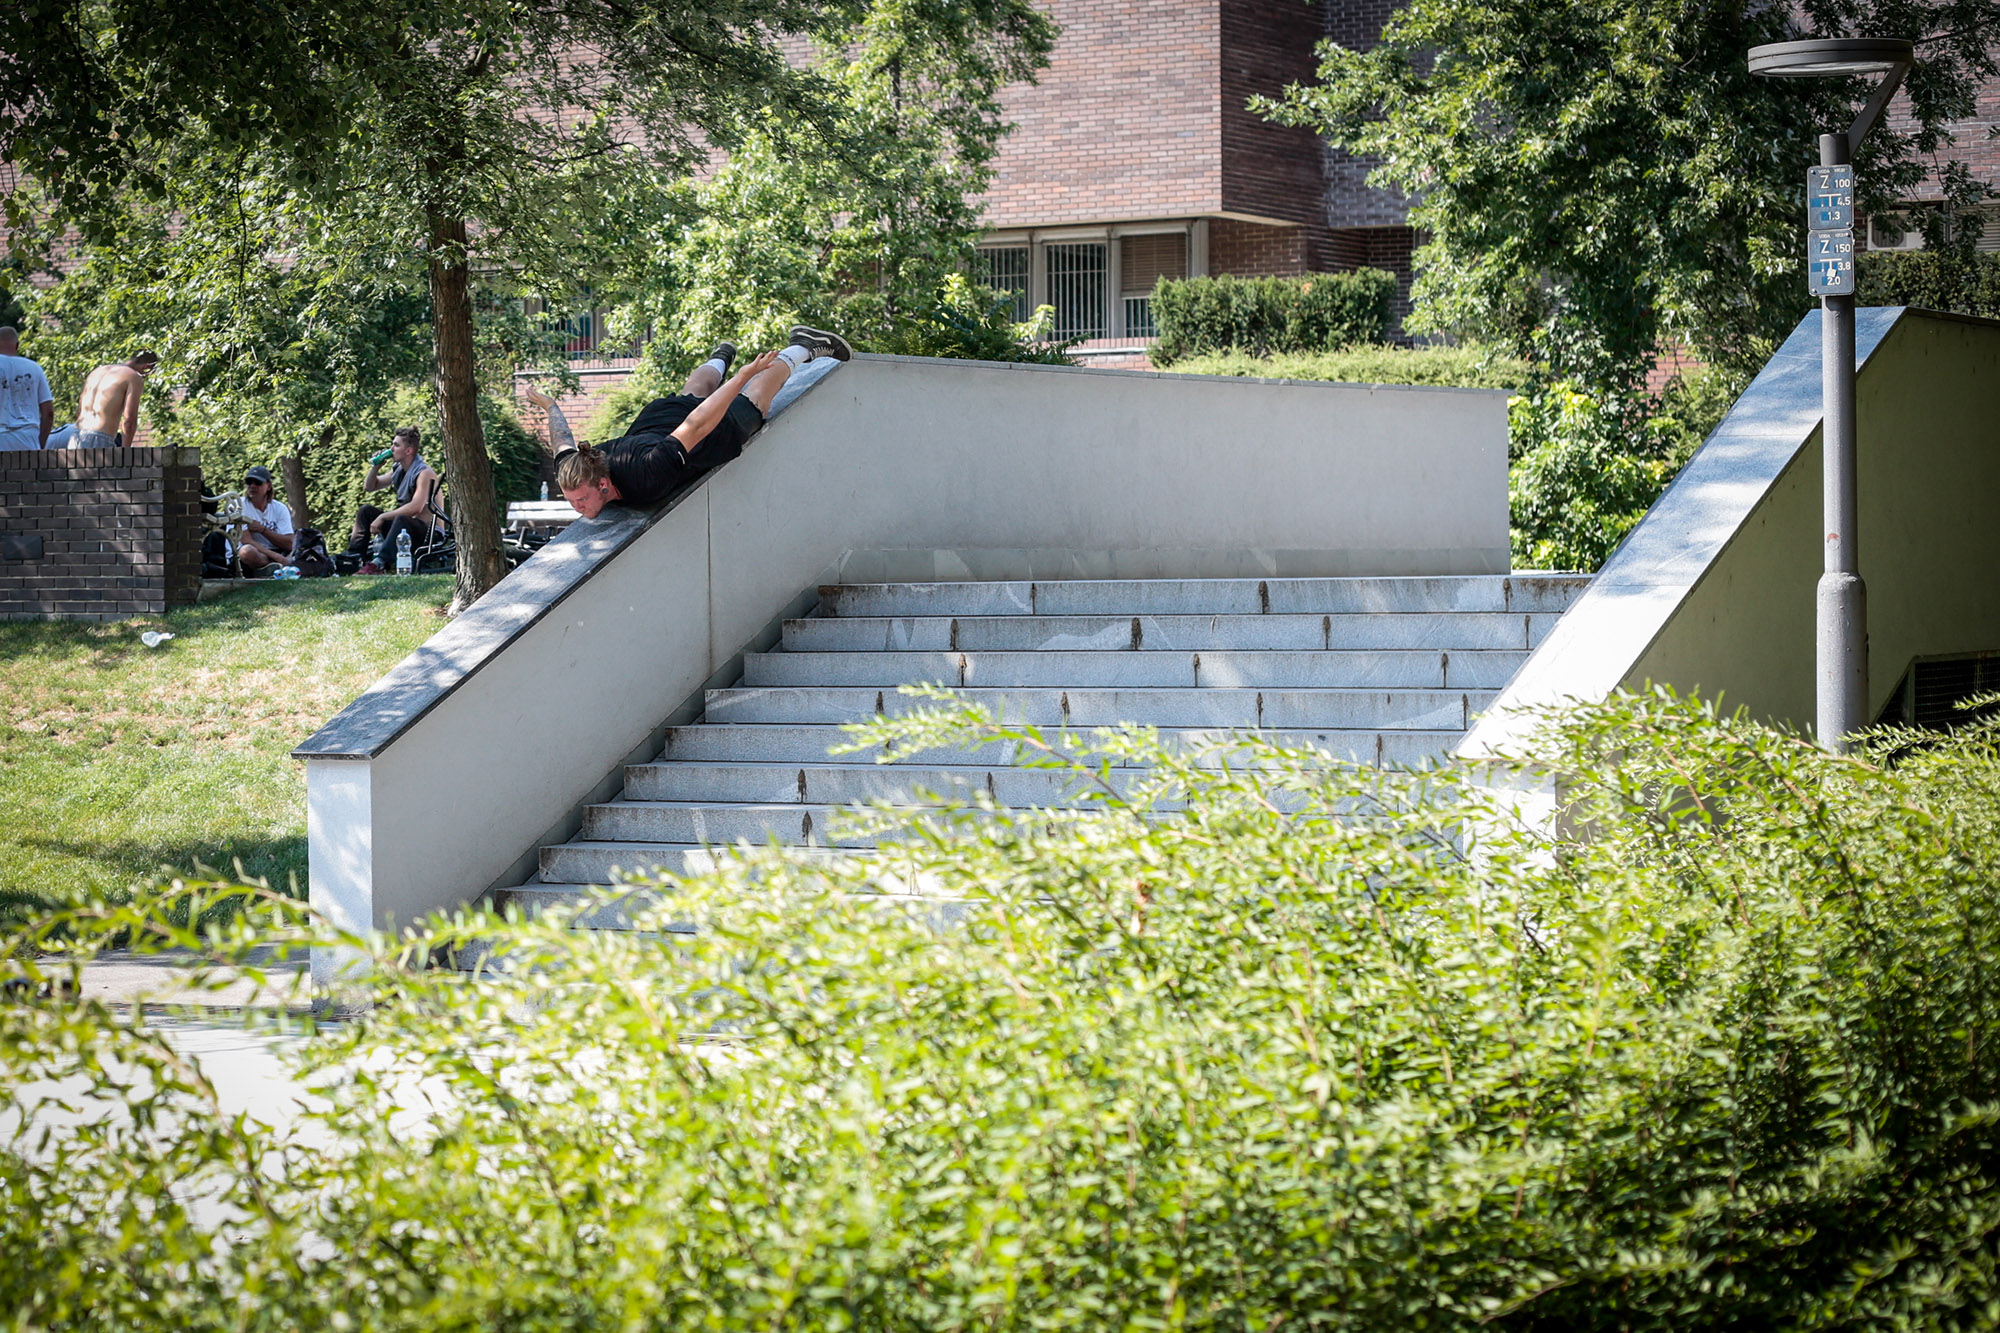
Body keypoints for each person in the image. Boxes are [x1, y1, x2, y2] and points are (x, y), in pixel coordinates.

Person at [536, 325, 850, 519]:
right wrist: (549, 405)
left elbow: (697, 426)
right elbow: (562, 441)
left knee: (755, 398)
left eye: (580, 500)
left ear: (603, 485)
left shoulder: (646, 475)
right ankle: (720, 357)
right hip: (658, 418)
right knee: (693, 392)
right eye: (573, 501)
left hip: (704, 433)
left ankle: (803, 345)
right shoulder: (577, 466)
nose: (576, 507)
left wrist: (743, 377)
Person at [358, 426, 440, 574]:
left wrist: (382, 517)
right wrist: (375, 468)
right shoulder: (399, 469)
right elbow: (370, 487)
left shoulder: (424, 473)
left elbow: (416, 507)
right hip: (405, 530)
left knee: (402, 519)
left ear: (408, 451)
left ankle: (379, 563)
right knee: (366, 511)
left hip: (428, 534)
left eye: (396, 445)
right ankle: (354, 557)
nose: (391, 449)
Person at [74, 350, 158, 449]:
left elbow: (79, 411)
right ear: (146, 367)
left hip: (76, 436)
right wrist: (125, 452)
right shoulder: (133, 377)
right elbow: (129, 421)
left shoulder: (96, 372)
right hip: (100, 439)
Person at [233, 464, 296, 575]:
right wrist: (277, 557)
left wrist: (263, 530)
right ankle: (273, 567)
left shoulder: (280, 508)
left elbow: (289, 543)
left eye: (257, 483)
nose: (252, 486)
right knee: (246, 551)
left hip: (278, 551)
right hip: (255, 554)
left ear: (269, 486)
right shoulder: (238, 506)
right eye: (249, 482)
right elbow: (246, 540)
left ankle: (270, 569)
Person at [0, 327, 53, 452]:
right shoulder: (34, 368)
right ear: (17, 345)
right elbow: (49, 413)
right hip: (28, 440)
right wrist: (40, 445)